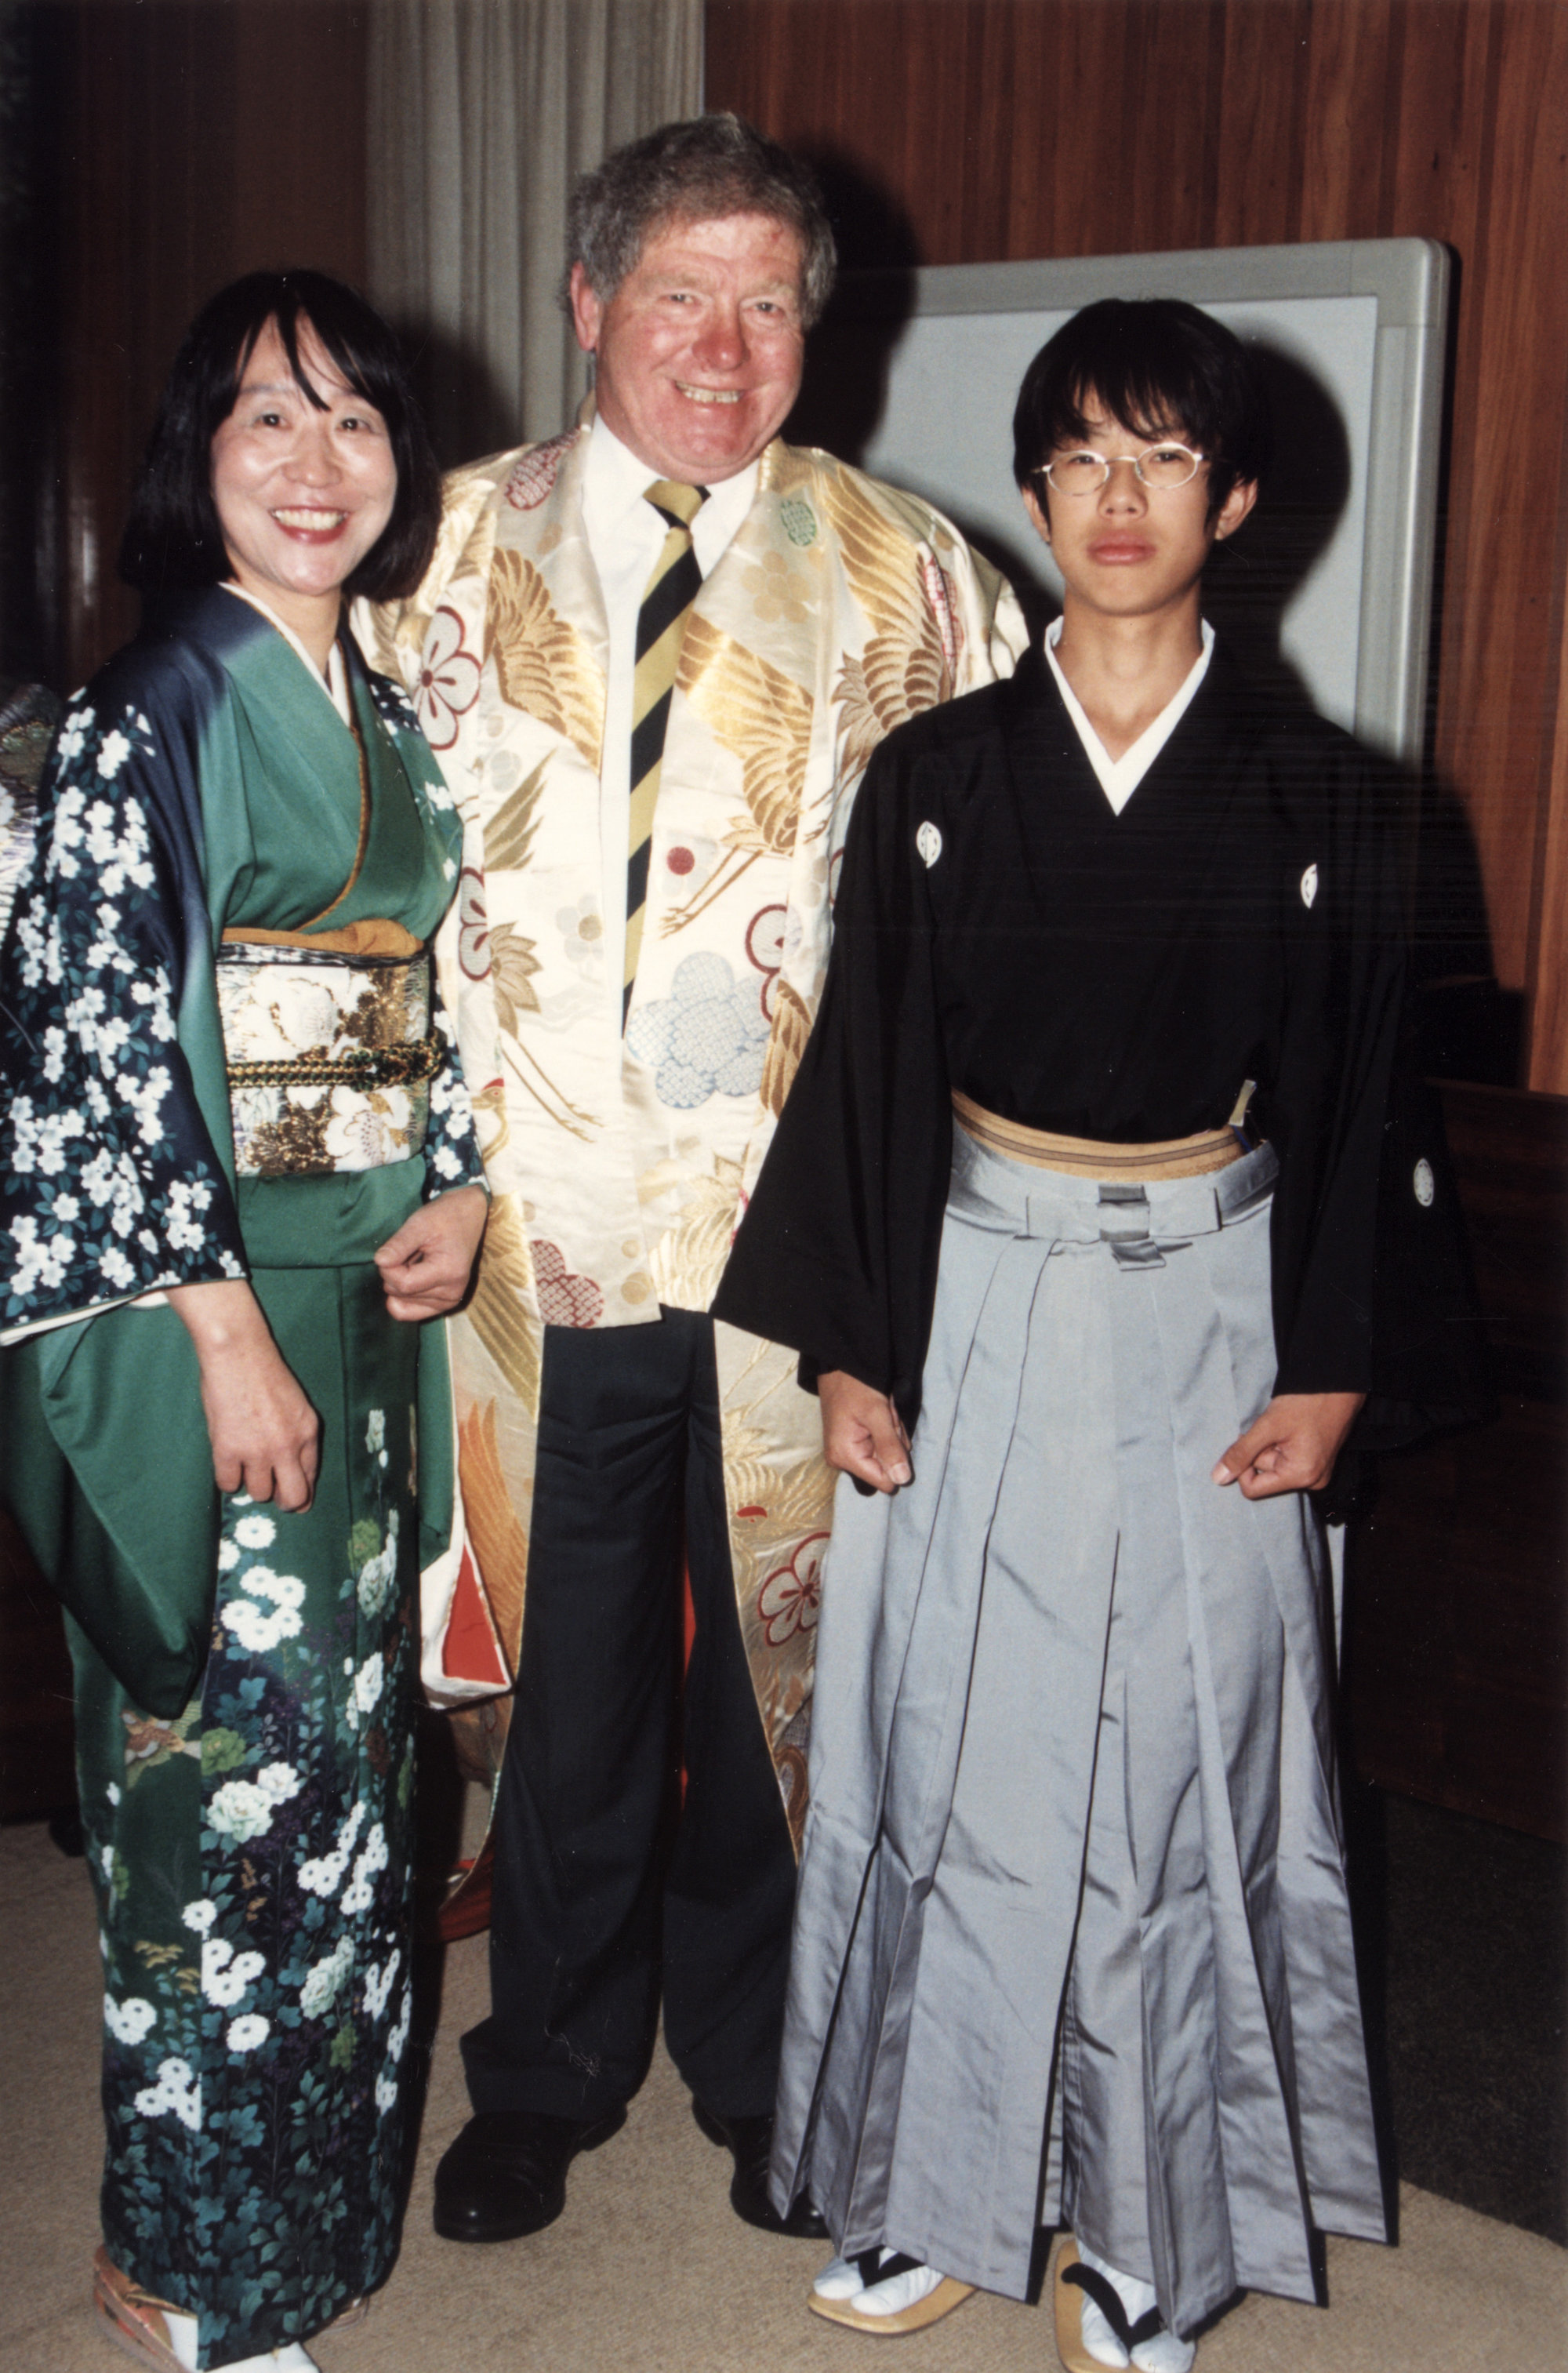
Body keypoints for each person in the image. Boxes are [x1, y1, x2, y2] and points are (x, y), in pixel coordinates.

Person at [713, 299, 1488, 2362]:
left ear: (1234, 500)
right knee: (948, 1752)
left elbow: (1360, 1102)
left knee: (1177, 1780)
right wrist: (856, 1341)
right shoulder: (941, 775)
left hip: (1224, 1308)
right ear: (1039, 485)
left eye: (1165, 458)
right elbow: (868, 1069)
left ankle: (1156, 2221)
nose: (1118, 498)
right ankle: (933, 2185)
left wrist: (1332, 1370)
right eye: (1080, 456)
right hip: (979, 1286)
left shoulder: (1333, 796)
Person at [364, 111, 1025, 2247]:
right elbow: (356, 904)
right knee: (562, 1689)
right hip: (519, 1234)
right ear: (589, 305)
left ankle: (768, 2066)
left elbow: (996, 926)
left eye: (768, 305)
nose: (726, 347)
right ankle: (541, 2070)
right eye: (680, 295)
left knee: (773, 1692)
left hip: (787, 1240)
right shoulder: (434, 559)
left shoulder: (914, 579)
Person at [0, 271, 488, 2372]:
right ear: (199, 463)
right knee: (216, 1791)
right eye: (268, 424)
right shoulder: (154, 709)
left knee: (347, 1788)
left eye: (355, 422)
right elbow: (98, 1046)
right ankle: (180, 2260)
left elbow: (420, 1007)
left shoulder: (382, 710)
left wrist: (455, 1182)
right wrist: (213, 1331)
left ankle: (293, 2236)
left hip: (365, 1311)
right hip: (223, 1311)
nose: (317, 467)